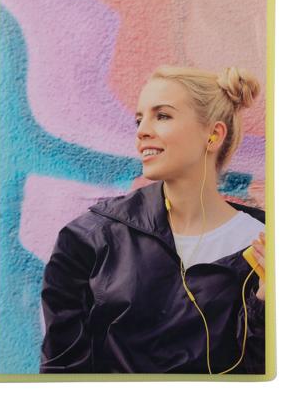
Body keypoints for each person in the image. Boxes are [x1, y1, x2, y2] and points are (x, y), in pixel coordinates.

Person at [39, 65, 267, 374]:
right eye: (139, 119)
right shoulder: (89, 239)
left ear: (213, 134)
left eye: (162, 116)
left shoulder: (266, 244)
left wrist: (265, 303)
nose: (142, 131)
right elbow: (62, 374)